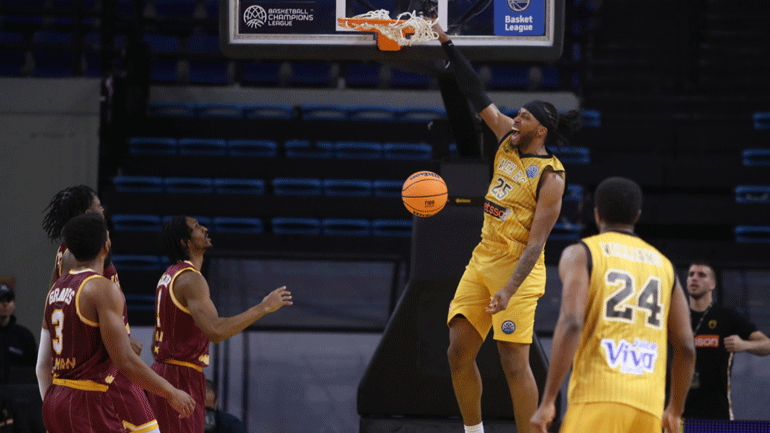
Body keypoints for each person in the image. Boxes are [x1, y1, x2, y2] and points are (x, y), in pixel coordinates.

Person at [432, 24, 582, 433]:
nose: (516, 119)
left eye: (525, 117)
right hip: (483, 260)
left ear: (541, 131)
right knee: (458, 352)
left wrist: (509, 288)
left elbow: (536, 246)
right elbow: (475, 91)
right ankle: (473, 431)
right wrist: (449, 45)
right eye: (517, 114)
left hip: (519, 270)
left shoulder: (551, 177)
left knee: (514, 363)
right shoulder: (504, 138)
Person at [530, 177, 696, 433]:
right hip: (648, 407)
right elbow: (685, 346)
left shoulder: (582, 253)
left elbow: (572, 322)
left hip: (597, 398)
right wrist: (675, 409)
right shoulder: (665, 266)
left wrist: (549, 400)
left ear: (596, 214)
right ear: (637, 216)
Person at [35, 213, 195, 432]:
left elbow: (45, 363)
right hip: (87, 399)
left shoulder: (56, 289)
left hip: (56, 396)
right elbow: (126, 361)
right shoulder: (101, 288)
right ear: (105, 246)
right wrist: (171, 392)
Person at [147, 215, 293, 433]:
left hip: (166, 373)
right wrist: (263, 307)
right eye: (196, 227)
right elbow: (215, 331)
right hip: (180, 376)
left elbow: (154, 344)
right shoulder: (191, 280)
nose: (204, 228)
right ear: (184, 242)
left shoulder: (168, 276)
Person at [41, 184, 158, 432]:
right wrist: (120, 343)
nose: (103, 208)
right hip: (101, 371)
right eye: (97, 204)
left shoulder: (76, 252)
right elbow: (75, 317)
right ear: (86, 212)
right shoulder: (77, 256)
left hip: (109, 363)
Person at [683, 262, 770, 420]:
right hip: (678, 413)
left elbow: (767, 345)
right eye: (691, 274)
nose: (694, 278)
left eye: (701, 275)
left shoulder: (726, 317)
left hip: (717, 415)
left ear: (712, 284)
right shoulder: (677, 317)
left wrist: (745, 345)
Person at [0, 283, 37, 383]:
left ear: (14, 304)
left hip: (17, 394)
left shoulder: (24, 336)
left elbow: (33, 370)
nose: (5, 304)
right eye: (1, 300)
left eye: (8, 300)